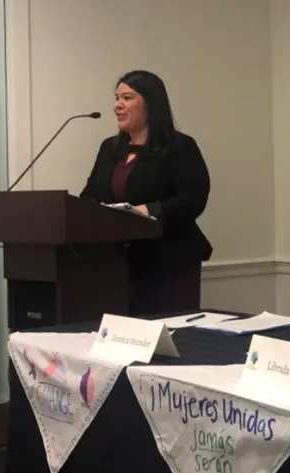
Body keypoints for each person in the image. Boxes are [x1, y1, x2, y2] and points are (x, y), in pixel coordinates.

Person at [80, 70, 211, 316]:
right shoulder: (110, 148)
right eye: (117, 98)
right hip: (119, 264)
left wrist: (146, 211)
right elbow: (90, 195)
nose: (117, 105)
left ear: (151, 103)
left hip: (169, 263)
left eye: (127, 98)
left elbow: (193, 199)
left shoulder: (179, 147)